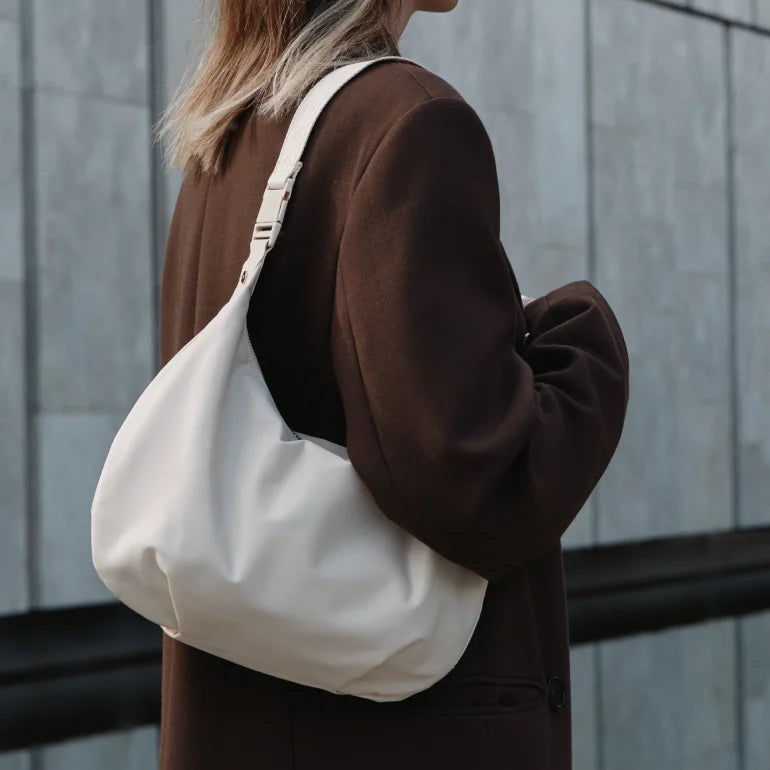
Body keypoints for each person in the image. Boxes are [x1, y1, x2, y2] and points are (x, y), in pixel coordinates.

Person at [156, 1, 630, 768]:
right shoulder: (408, 122)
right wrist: (587, 343)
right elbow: (481, 482)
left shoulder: (223, 137)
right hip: (401, 734)